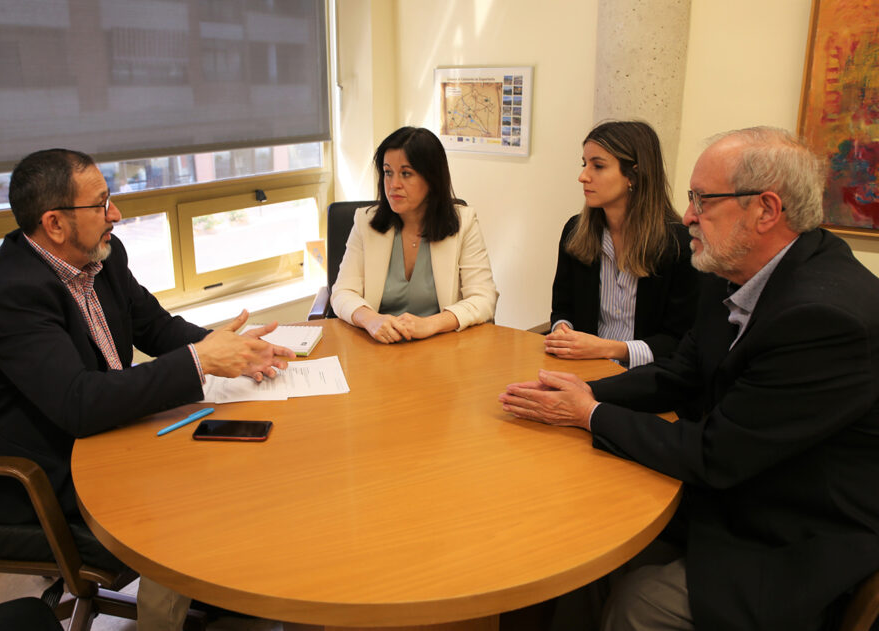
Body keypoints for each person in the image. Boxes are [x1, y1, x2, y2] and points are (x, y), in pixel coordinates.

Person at [499, 127, 879, 630]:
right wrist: (584, 392)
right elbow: (681, 371)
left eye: (703, 200)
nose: (688, 216)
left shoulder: (824, 318)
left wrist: (590, 414)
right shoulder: (737, 269)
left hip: (794, 532)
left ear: (765, 210)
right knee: (569, 527)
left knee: (639, 602)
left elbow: (717, 454)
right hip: (743, 485)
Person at [0, 148, 295, 630]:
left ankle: (228, 586)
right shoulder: (14, 294)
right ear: (55, 224)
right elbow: (79, 403)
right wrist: (202, 361)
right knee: (188, 496)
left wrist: (229, 348)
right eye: (101, 204)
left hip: (111, 433)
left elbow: (155, 327)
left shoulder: (103, 256)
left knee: (245, 453)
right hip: (47, 470)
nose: (116, 214)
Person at [546, 121, 699, 368]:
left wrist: (607, 348)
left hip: (651, 376)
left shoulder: (681, 244)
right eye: (585, 164)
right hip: (583, 368)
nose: (583, 176)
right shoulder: (575, 231)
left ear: (633, 175)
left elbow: (681, 340)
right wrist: (563, 330)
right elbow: (563, 308)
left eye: (598, 166)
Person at [330, 126, 498, 343]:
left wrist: (430, 324)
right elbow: (342, 292)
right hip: (379, 346)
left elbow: (484, 298)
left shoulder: (464, 223)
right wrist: (371, 320)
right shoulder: (365, 222)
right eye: (388, 172)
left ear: (432, 179)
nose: (393, 185)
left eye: (406, 173)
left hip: (441, 346)